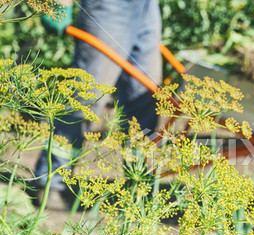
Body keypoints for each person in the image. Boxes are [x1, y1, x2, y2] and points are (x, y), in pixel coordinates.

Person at [34, 0, 162, 196]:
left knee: (145, 96)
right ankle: (51, 180)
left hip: (147, 6)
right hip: (110, 6)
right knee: (87, 94)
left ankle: (139, 184)